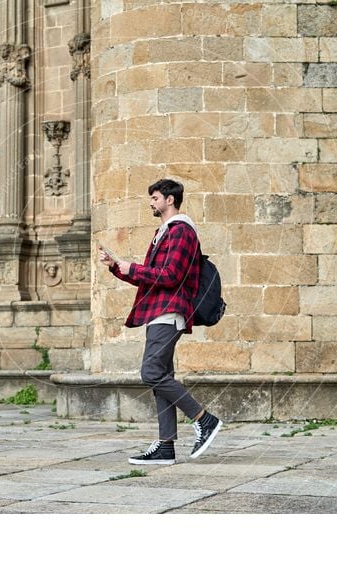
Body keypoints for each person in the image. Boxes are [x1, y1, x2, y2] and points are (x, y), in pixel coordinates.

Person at [99, 179, 222, 465]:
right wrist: (118, 267)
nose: (151, 202)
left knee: (151, 372)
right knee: (160, 378)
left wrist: (134, 267)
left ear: (170, 199)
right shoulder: (163, 232)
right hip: (158, 311)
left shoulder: (181, 232)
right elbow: (151, 276)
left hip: (170, 312)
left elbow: (170, 276)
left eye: (155, 197)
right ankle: (166, 446)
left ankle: (205, 420)